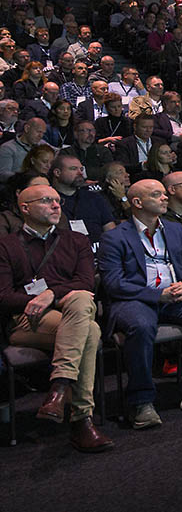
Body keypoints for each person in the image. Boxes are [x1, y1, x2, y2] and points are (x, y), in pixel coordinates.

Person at [97, 179, 182, 428]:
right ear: (137, 202)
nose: (164, 198)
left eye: (163, 194)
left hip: (174, 295)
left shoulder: (174, 230)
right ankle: (140, 401)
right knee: (141, 326)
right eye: (156, 194)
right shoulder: (114, 237)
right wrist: (156, 295)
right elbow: (114, 284)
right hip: (136, 298)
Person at [0, 184, 112, 452]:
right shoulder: (6, 245)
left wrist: (51, 294)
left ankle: (60, 390)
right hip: (26, 320)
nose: (55, 205)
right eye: (46, 200)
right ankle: (80, 419)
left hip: (70, 313)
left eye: (57, 200)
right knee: (90, 329)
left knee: (83, 302)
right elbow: (3, 296)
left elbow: (86, 282)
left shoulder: (76, 240)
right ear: (24, 208)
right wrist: (36, 300)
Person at [50, 153, 115, 243]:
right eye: (73, 169)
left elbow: (111, 231)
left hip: (100, 253)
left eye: (81, 169)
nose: (80, 173)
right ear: (57, 172)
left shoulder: (94, 198)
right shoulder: (49, 202)